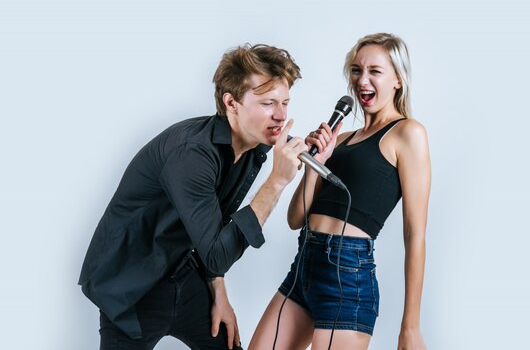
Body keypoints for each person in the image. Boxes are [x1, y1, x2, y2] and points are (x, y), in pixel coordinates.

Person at [78, 44, 310, 350]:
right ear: (231, 103)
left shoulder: (253, 147)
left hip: (182, 272)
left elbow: (214, 229)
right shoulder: (192, 155)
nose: (281, 116)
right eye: (268, 103)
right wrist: (277, 182)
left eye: (285, 103)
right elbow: (216, 251)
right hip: (129, 288)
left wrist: (219, 292)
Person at [249, 33, 432, 350]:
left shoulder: (407, 133)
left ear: (398, 80)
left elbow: (415, 234)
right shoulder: (342, 138)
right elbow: (296, 218)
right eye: (357, 70)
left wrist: (410, 327)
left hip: (347, 277)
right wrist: (316, 162)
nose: (363, 79)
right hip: (303, 266)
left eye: (375, 71)